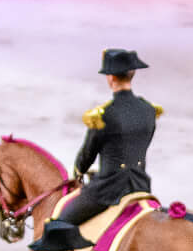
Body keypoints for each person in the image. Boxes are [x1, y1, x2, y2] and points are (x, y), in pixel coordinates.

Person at [61, 48, 161, 228]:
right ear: (132, 74)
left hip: (107, 191)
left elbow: (87, 155)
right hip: (140, 186)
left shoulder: (104, 114)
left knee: (59, 224)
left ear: (111, 78)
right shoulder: (149, 110)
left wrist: (78, 173)